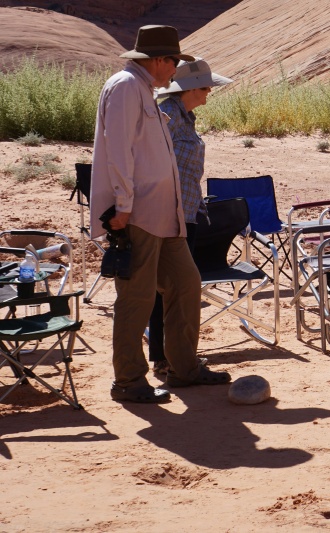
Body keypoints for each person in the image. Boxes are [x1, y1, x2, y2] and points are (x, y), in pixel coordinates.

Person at [90, 25, 231, 404]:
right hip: (137, 214)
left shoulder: (142, 90)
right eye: (173, 62)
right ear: (159, 60)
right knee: (136, 298)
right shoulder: (125, 87)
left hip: (163, 215)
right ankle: (129, 381)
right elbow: (118, 150)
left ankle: (183, 369)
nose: (175, 71)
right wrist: (122, 204)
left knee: (186, 283)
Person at [148, 58, 232, 375]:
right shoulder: (167, 115)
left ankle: (168, 357)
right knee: (173, 287)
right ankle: (169, 360)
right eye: (207, 86)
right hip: (166, 215)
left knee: (172, 288)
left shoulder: (186, 116)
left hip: (186, 212)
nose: (210, 91)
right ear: (193, 88)